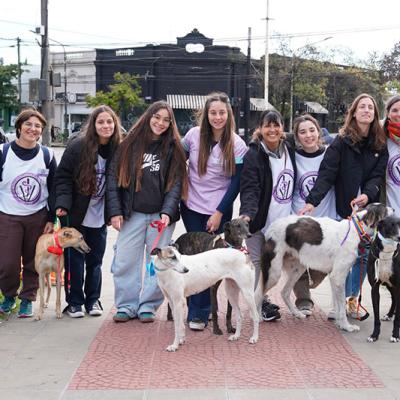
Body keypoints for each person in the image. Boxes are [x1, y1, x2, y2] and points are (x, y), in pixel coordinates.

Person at [299, 93, 388, 318]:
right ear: (354, 112)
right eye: (362, 107)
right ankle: (336, 305)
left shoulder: (379, 143)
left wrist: (368, 196)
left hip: (367, 212)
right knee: (343, 259)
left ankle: (352, 301)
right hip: (345, 211)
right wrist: (312, 202)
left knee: (363, 256)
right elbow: (327, 174)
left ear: (375, 114)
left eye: (371, 107)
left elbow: (377, 176)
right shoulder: (341, 141)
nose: (367, 110)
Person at [107, 101, 188, 323]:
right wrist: (115, 211)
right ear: (148, 116)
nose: (160, 123)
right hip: (131, 214)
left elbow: (176, 183)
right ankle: (126, 305)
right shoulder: (128, 144)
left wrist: (168, 212)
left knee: (157, 264)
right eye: (157, 117)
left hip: (159, 217)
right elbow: (113, 179)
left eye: (166, 120)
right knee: (125, 260)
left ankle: (148, 306)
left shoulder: (173, 148)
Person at [180, 92, 247, 331]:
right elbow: (177, 161)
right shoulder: (192, 136)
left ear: (228, 115)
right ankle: (196, 312)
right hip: (192, 207)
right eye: (213, 112)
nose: (217, 117)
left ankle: (205, 310)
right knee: (196, 258)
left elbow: (236, 182)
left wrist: (219, 212)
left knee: (212, 261)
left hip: (219, 210)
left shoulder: (237, 144)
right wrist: (183, 188)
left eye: (222, 113)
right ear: (206, 114)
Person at [54, 105, 122, 318]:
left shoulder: (119, 148)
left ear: (115, 124)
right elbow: (63, 176)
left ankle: (93, 300)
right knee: (74, 261)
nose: (105, 126)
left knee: (95, 261)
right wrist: (62, 204)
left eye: (109, 122)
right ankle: (74, 302)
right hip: (76, 213)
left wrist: (116, 211)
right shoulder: (78, 146)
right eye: (100, 122)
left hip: (100, 215)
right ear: (93, 125)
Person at [240, 110, 296, 322]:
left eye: (276, 125)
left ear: (282, 128)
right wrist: (247, 213)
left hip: (283, 224)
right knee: (256, 264)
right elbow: (250, 188)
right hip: (259, 220)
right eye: (267, 126)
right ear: (260, 129)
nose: (272, 130)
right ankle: (259, 305)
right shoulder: (254, 154)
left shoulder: (290, 149)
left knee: (273, 268)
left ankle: (262, 299)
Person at [0, 109, 56, 317]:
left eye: (37, 126)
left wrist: (52, 218)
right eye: (28, 124)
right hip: (7, 216)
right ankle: (8, 296)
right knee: (7, 263)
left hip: (37, 216)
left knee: (34, 261)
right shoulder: (3, 152)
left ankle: (28, 299)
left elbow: (54, 188)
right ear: (19, 127)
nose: (32, 129)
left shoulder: (47, 155)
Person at [290, 114, 336, 314]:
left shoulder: (331, 154)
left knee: (322, 268)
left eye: (311, 130)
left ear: (319, 132)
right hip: (300, 217)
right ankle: (303, 300)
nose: (308, 135)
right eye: (302, 132)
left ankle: (308, 285)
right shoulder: (292, 156)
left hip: (327, 219)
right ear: (297, 136)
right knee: (297, 261)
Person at [382, 95, 400, 217]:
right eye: (394, 110)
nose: (399, 114)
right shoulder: (381, 140)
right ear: (388, 114)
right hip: (391, 218)